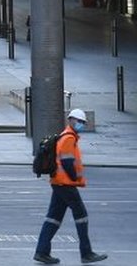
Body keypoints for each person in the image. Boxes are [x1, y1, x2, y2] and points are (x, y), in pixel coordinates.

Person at [33, 109, 108, 264]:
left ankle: (41, 252)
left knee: (53, 218)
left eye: (83, 123)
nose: (81, 124)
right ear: (71, 120)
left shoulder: (67, 136)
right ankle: (86, 253)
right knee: (82, 216)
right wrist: (75, 177)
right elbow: (67, 162)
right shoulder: (68, 138)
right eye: (79, 121)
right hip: (66, 183)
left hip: (58, 183)